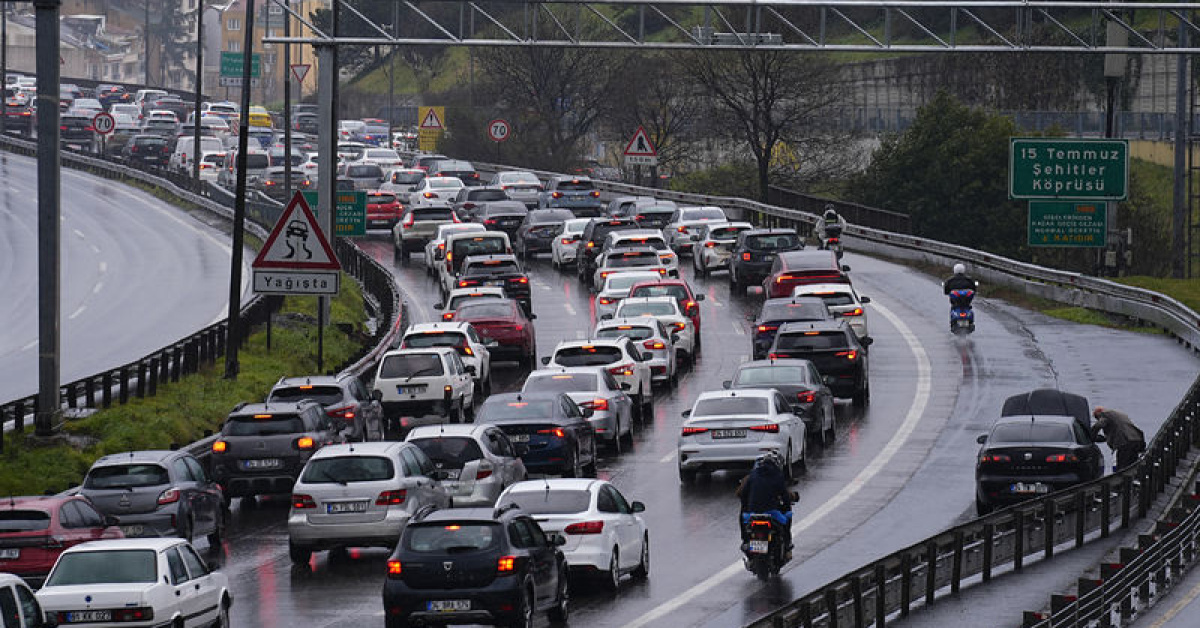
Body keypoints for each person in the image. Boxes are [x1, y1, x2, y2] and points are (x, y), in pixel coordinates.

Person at [736, 451, 794, 555]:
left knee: (742, 516)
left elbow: (743, 494)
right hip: (771, 512)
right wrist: (787, 507)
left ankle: (745, 540)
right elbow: (785, 496)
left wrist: (747, 506)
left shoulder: (753, 475)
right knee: (788, 516)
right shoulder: (777, 475)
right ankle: (787, 542)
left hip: (752, 512)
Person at [1091, 406, 1146, 470]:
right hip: (1137, 440)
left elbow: (1098, 425)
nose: (1097, 419)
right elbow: (1119, 430)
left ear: (1098, 414)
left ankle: (1121, 479)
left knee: (1122, 467)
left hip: (1125, 442)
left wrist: (1091, 436)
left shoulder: (1104, 414)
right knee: (1131, 466)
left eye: (1096, 417)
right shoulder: (1119, 414)